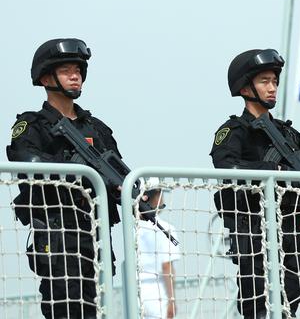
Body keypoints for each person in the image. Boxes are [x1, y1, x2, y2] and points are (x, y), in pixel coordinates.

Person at [209, 48, 300, 319]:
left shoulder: (288, 134)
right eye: (264, 81)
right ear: (244, 88)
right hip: (251, 223)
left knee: (295, 286)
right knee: (256, 296)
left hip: (288, 223)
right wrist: (272, 170)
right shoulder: (233, 132)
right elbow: (227, 167)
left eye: (275, 81)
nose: (272, 88)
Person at [7, 38, 122, 318]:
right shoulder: (31, 126)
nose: (75, 76)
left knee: (96, 309)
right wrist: (77, 168)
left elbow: (118, 172)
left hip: (94, 235)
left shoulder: (97, 128)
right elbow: (27, 161)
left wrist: (135, 194)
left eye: (78, 70)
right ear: (46, 77)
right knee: (65, 309)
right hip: (57, 234)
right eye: (66, 70)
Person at [137, 178, 180, 319]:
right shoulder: (166, 228)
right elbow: (167, 266)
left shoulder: (131, 226)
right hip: (157, 296)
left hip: (134, 294)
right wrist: (172, 299)